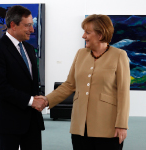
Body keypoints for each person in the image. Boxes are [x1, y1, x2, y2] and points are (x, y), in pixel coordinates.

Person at [37, 14, 130, 150]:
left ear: (100, 34)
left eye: (87, 32)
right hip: (80, 126)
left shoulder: (119, 55)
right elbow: (69, 85)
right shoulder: (81, 54)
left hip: (107, 126)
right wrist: (47, 100)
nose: (83, 36)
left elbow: (123, 93)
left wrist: (122, 124)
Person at [0, 5, 46, 150]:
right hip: (8, 123)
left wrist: (41, 98)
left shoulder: (30, 49)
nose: (32, 30)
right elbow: (1, 87)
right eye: (28, 25)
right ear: (13, 25)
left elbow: (32, 82)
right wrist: (32, 101)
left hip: (32, 122)